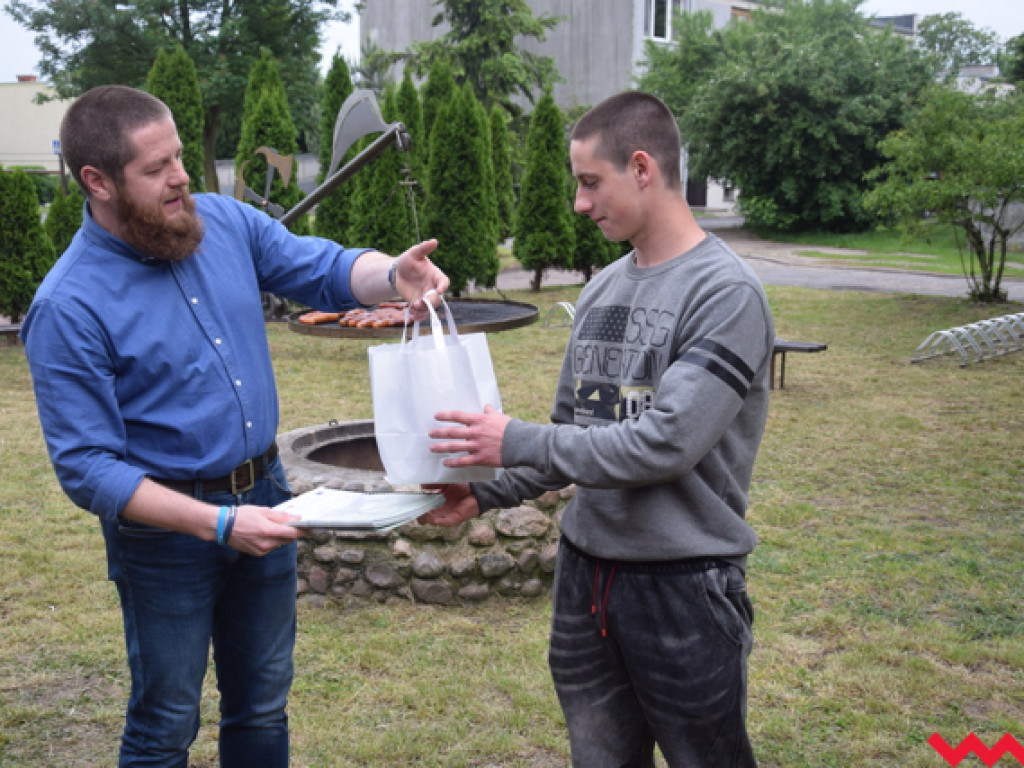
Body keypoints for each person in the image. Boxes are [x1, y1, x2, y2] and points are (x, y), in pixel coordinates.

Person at [20, 84, 448, 767]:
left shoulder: (222, 222)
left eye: (180, 157)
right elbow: (88, 469)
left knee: (260, 703)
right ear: (96, 182)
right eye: (156, 168)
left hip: (267, 497)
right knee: (165, 722)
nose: (182, 177)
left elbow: (326, 268)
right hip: (164, 536)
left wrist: (392, 272)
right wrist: (217, 524)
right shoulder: (68, 306)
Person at [420, 91, 773, 767]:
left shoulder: (726, 294)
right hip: (586, 581)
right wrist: (482, 492)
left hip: (684, 590)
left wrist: (511, 438)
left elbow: (666, 442)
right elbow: (570, 435)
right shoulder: (604, 289)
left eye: (590, 182)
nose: (579, 203)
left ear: (642, 168)